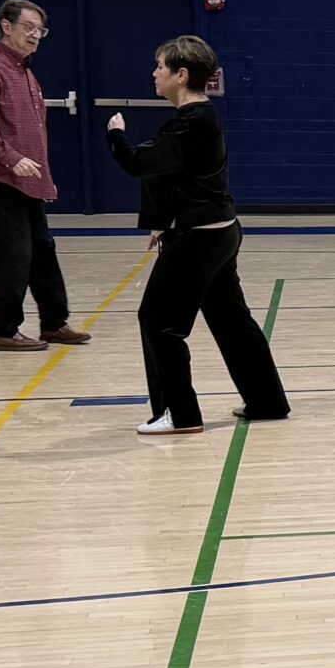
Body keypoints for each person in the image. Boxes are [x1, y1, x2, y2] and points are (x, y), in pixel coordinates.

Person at [106, 35, 288, 438]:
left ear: (181, 74)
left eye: (160, 66)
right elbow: (176, 176)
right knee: (231, 320)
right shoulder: (198, 119)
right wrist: (161, 221)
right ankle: (267, 400)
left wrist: (115, 134)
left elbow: (141, 162)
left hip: (198, 240)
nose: (155, 73)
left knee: (158, 321)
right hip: (219, 232)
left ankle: (180, 413)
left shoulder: (192, 121)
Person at [0, 0, 91, 355]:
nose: (35, 36)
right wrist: (11, 158)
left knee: (42, 251)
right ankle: (2, 329)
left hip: (26, 179)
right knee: (12, 254)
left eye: (40, 30)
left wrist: (42, 175)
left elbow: (32, 130)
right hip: (0, 178)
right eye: (28, 28)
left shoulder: (25, 71)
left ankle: (53, 323)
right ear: (6, 25)